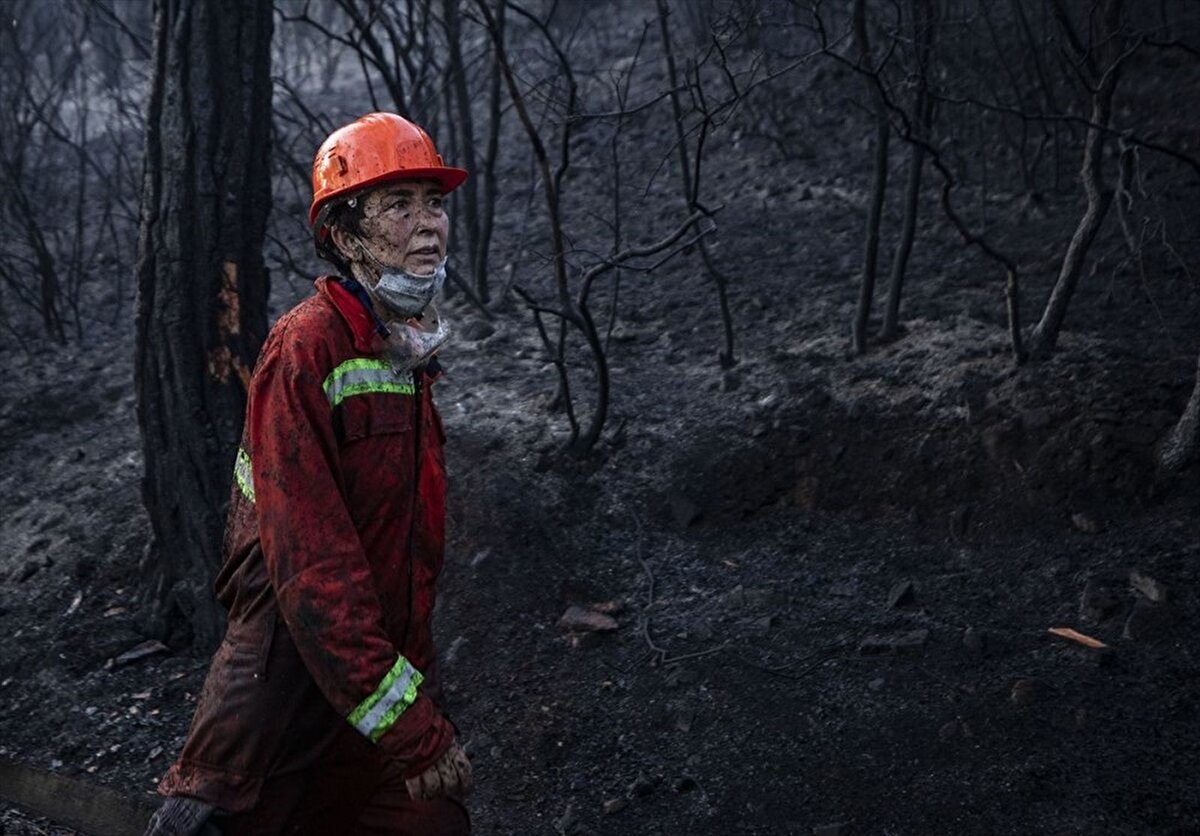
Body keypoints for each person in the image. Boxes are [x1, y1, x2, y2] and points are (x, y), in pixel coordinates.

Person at [145, 112, 473, 835]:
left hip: (376, 673)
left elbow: (403, 549)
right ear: (347, 237)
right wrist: (411, 728)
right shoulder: (306, 349)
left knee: (433, 823)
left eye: (435, 203)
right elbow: (314, 567)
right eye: (399, 205)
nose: (428, 225)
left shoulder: (406, 353)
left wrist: (417, 698)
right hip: (285, 677)